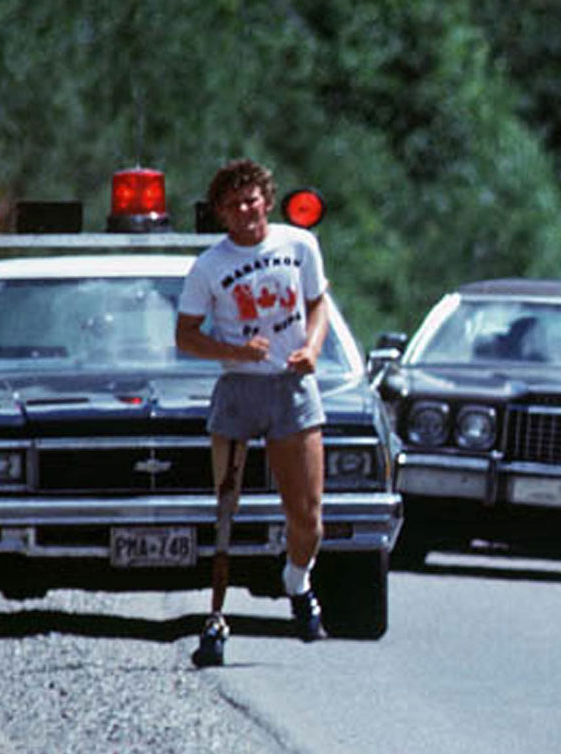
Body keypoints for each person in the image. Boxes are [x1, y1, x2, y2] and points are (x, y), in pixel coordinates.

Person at [175, 158, 331, 667]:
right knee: (226, 510)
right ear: (221, 212)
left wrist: (312, 347)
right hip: (241, 389)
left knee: (307, 517)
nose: (246, 210)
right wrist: (235, 351)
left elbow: (318, 304)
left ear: (267, 199)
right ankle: (216, 619)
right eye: (234, 204)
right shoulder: (209, 267)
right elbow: (186, 336)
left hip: (292, 387)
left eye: (252, 199)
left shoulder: (298, 245)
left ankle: (297, 581)